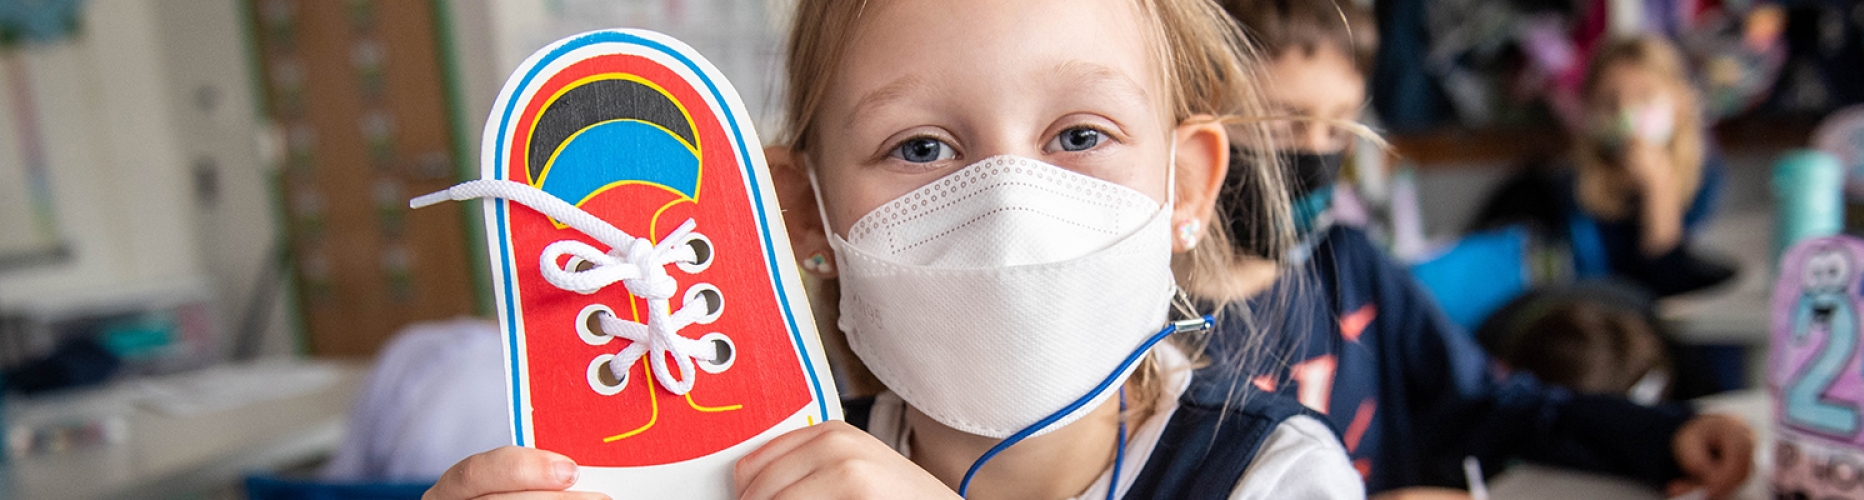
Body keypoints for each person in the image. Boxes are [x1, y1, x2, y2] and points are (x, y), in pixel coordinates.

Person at [422, 0, 1366, 498]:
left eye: (1080, 135)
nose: (1006, 204)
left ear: (1188, 187)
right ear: (803, 213)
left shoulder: (1276, 476)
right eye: (921, 148)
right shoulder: (746, 479)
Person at [1206, 1, 1755, 498]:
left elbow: (1498, 404)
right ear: (1199, 123)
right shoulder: (1153, 334)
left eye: (1337, 128)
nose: (1315, 156)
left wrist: (1667, 436)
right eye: (1282, 125)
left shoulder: (1350, 267)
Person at [1471, 35, 1736, 297]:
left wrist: (1659, 189)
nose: (1625, 113)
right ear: (1590, 112)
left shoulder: (1705, 180)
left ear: (1679, 101)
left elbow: (1677, 287)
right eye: (1610, 102)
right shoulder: (1561, 192)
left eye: (1644, 96)